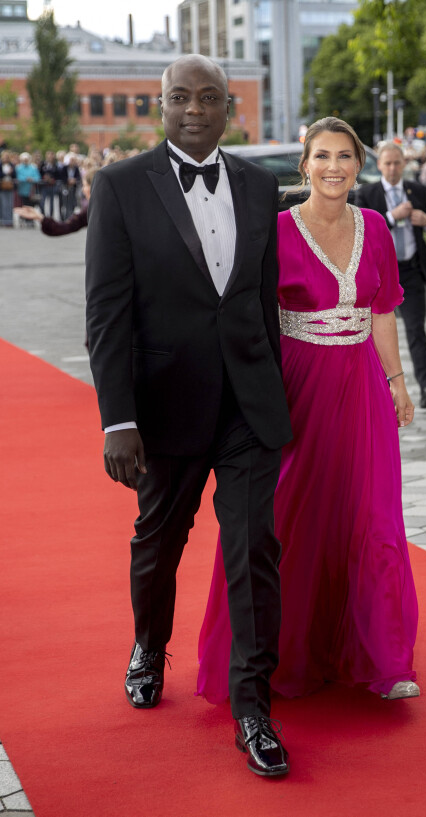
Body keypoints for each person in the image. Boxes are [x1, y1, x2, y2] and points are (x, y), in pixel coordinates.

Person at [85, 54, 292, 778]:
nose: (194, 109)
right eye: (180, 97)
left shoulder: (263, 187)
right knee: (158, 542)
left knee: (252, 550)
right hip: (164, 408)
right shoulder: (118, 187)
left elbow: (261, 302)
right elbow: (106, 316)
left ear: (229, 108)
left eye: (209, 98)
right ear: (161, 104)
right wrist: (118, 418)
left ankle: (252, 707)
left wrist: (278, 395)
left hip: (247, 406)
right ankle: (150, 642)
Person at [198, 117, 419, 706]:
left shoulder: (374, 226)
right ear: (305, 165)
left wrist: (398, 382)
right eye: (322, 156)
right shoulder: (274, 231)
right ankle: (279, 652)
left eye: (345, 157)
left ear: (359, 165)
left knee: (371, 517)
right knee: (292, 518)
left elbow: (383, 310)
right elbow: (249, 317)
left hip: (364, 388)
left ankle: (382, 655)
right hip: (296, 388)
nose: (334, 167)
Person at [355, 141, 426, 409]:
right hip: (379, 277)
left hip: (411, 271)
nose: (393, 168)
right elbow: (362, 230)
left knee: (416, 330)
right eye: (387, 163)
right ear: (379, 166)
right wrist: (392, 217)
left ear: (404, 164)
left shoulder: (415, 190)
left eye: (397, 163)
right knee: (375, 335)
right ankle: (381, 389)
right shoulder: (368, 193)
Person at [14, 168, 94, 234]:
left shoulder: (98, 208)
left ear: (94, 186)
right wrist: (40, 217)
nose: (83, 190)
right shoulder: (90, 209)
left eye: (85, 185)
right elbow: (65, 227)